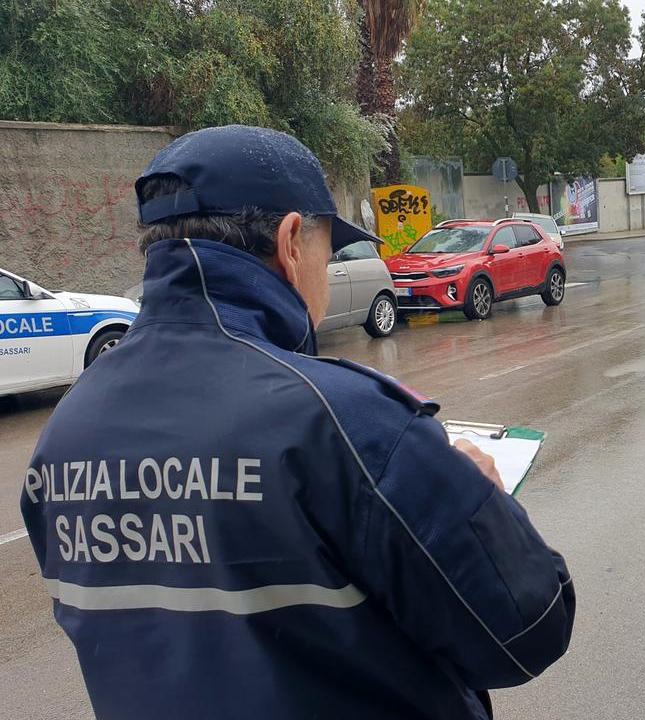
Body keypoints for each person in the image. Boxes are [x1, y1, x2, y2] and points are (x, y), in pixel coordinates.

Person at [19, 125, 574, 718]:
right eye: (328, 251)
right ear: (290, 242)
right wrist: (487, 504)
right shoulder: (346, 423)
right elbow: (529, 629)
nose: (328, 275)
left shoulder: (65, 431)